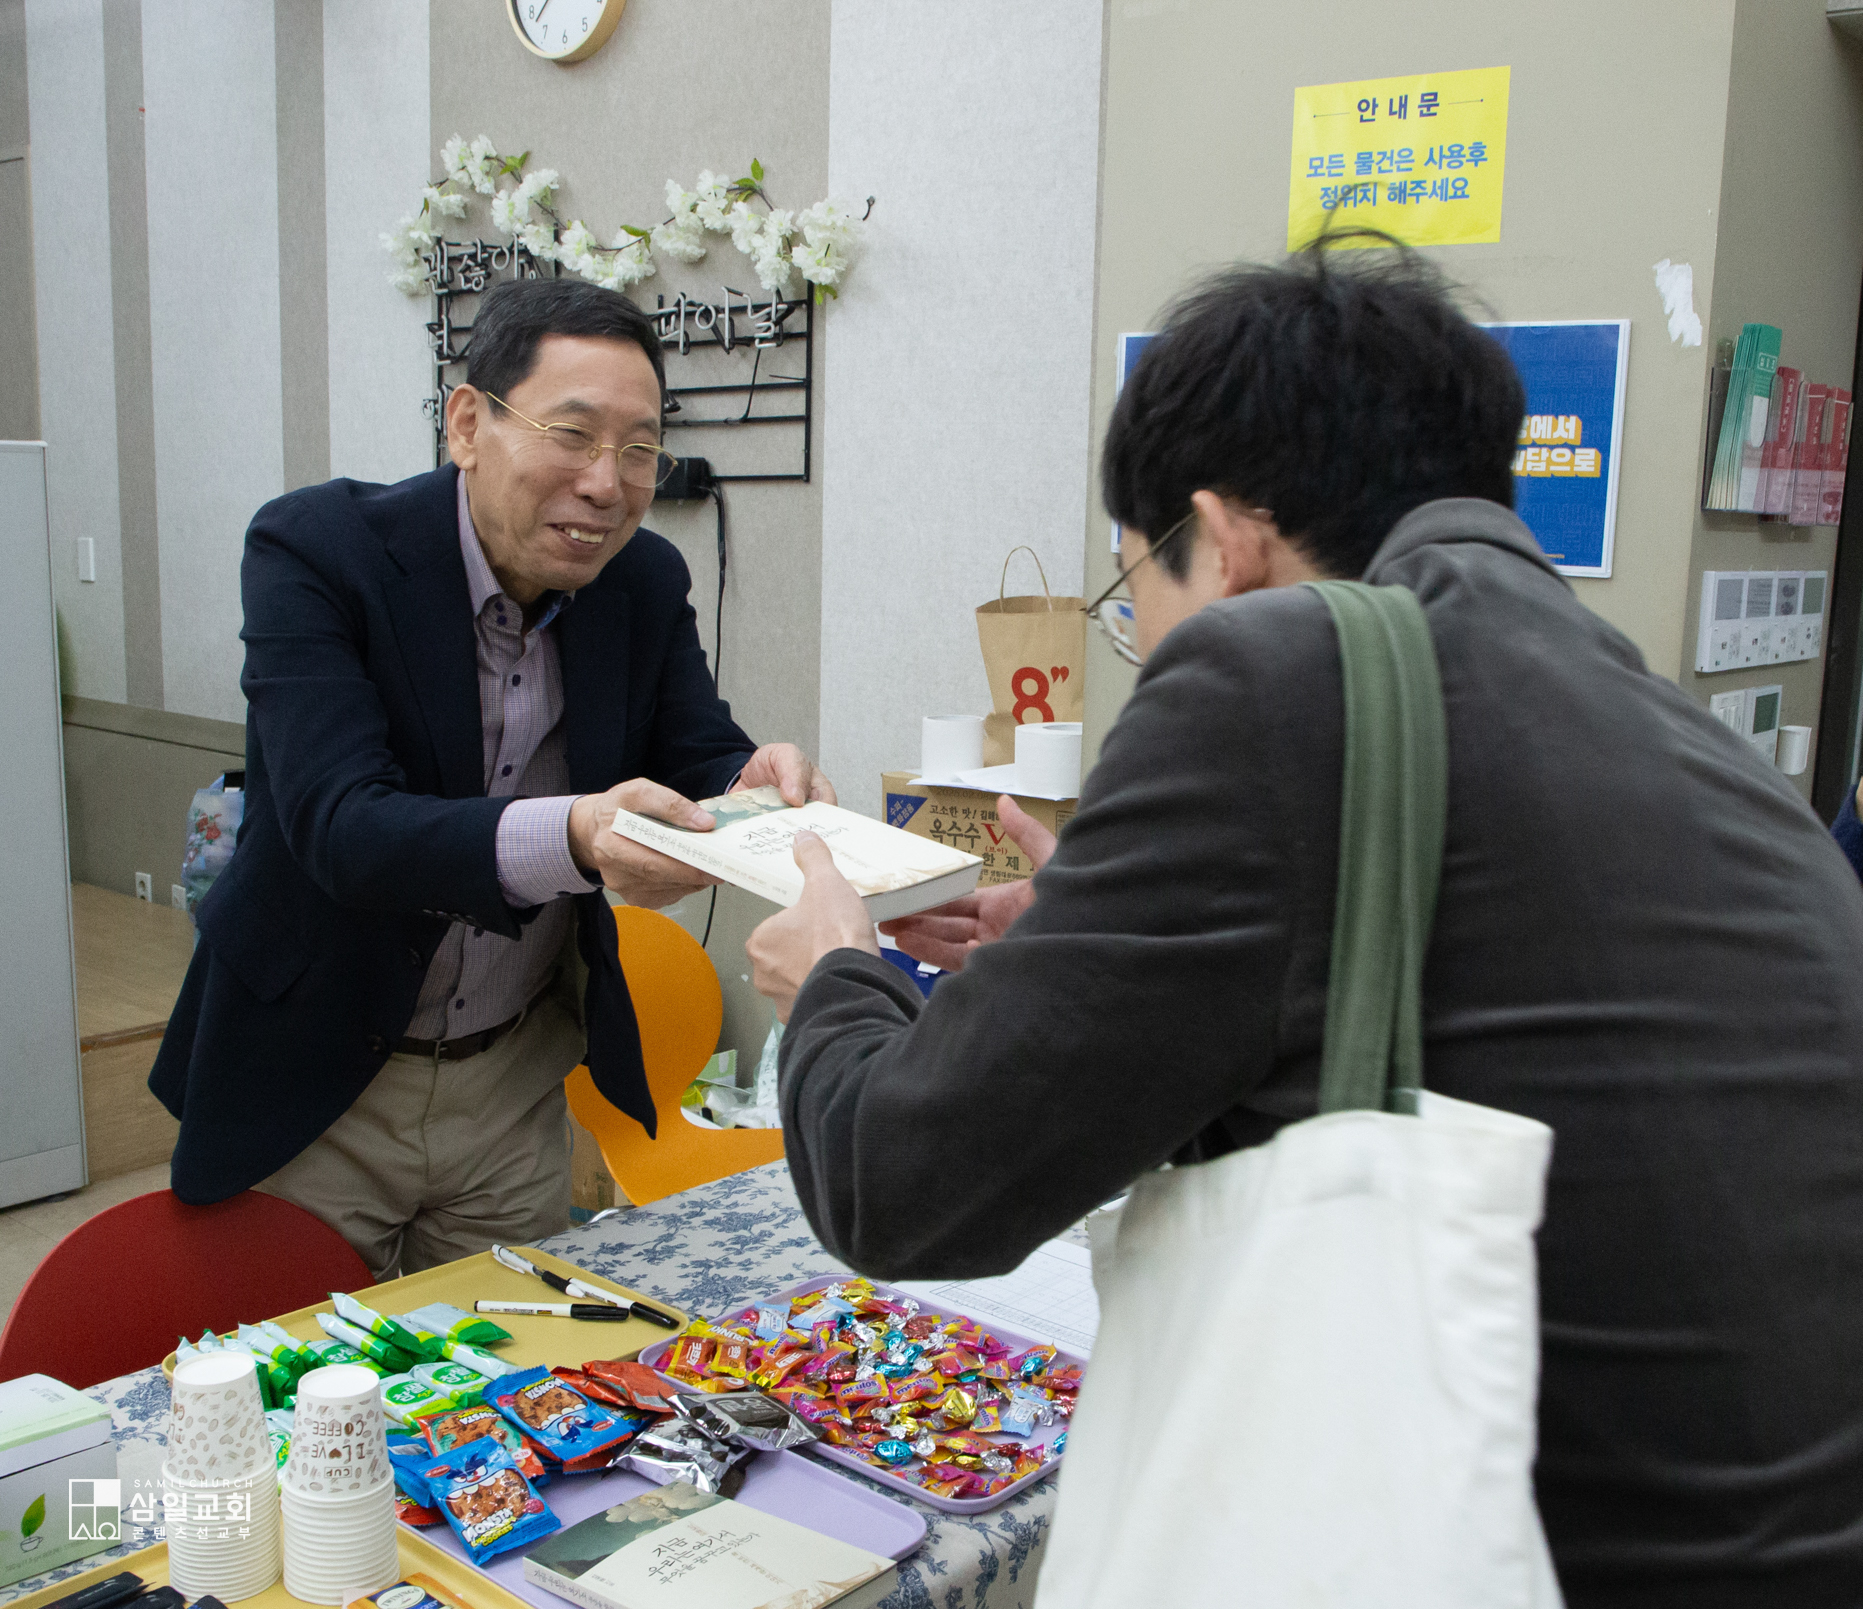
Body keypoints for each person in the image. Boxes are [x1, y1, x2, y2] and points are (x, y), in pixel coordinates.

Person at [747, 245, 1863, 1605]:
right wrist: (1096, 927)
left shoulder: (1271, 674)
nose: (1144, 643)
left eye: (1129, 598)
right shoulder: (1685, 741)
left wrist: (836, 972)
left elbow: (897, 1182)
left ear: (1222, 542)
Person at [152, 276, 833, 1279]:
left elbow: (695, 749)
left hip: (513, 1081)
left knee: (518, 1359)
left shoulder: (641, 579)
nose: (607, 483)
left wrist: (752, 777)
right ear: (469, 424)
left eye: (640, 448)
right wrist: (576, 836)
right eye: (574, 434)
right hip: (320, 1075)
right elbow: (340, 824)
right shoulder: (318, 551)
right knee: (307, 1368)